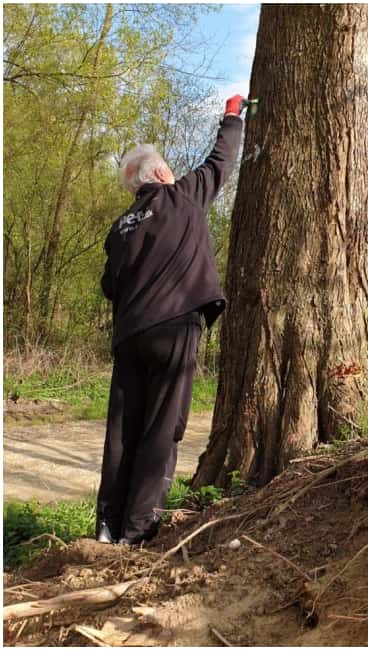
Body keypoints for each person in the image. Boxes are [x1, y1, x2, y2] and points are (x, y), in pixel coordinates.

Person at [96, 94, 246, 545]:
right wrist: (233, 115)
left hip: (129, 337)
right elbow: (222, 160)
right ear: (161, 173)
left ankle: (108, 526)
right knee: (162, 429)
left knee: (122, 433)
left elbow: (110, 285)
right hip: (173, 326)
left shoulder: (119, 228)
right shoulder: (182, 196)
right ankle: (138, 533)